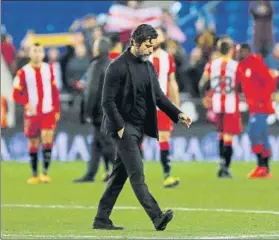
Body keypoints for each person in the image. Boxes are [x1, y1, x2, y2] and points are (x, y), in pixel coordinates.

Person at [92, 24, 192, 230]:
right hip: (123, 128)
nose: (150, 50)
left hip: (138, 127)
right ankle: (157, 217)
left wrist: (178, 113)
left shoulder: (148, 66)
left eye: (153, 46)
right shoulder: (116, 66)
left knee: (119, 176)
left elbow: (159, 97)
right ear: (134, 43)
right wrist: (120, 128)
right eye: (147, 45)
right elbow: (107, 102)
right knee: (137, 174)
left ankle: (101, 218)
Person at [12, 43, 60, 184]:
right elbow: (15, 94)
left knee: (47, 138)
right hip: (32, 114)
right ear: (30, 54)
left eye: (40, 51)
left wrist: (57, 109)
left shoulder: (49, 69)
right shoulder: (23, 72)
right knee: (33, 141)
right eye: (35, 51)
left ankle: (44, 173)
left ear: (43, 54)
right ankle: (34, 174)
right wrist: (26, 102)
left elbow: (55, 91)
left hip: (48, 111)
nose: (37, 54)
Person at [199, 38, 243, 178]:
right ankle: (225, 167)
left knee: (221, 134)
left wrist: (204, 97)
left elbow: (202, 83)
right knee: (228, 137)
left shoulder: (211, 64)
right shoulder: (236, 66)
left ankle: (221, 164)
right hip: (231, 104)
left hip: (217, 104)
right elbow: (242, 85)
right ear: (231, 50)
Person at [73, 37, 115, 183]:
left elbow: (91, 91)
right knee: (97, 143)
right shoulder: (112, 65)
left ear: (98, 49)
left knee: (107, 143)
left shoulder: (96, 66)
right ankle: (90, 173)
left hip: (99, 111)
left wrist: (88, 112)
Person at [238, 43, 276, 178]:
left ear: (246, 52)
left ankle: (261, 165)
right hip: (254, 107)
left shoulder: (255, 63)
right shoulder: (242, 66)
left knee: (252, 133)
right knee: (263, 136)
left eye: (240, 52)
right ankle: (265, 169)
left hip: (262, 107)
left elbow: (270, 82)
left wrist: (261, 100)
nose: (238, 54)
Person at [149, 26, 180, 188]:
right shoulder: (139, 56)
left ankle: (167, 175)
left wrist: (177, 107)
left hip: (161, 105)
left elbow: (172, 83)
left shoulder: (168, 58)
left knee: (164, 138)